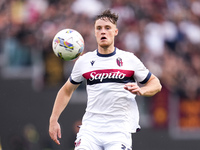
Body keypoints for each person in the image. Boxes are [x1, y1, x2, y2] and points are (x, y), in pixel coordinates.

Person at [49, 10, 162, 150]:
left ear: (115, 31)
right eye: (99, 28)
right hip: (90, 130)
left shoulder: (129, 59)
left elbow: (156, 83)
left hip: (119, 131)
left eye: (107, 28)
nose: (103, 31)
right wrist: (53, 119)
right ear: (95, 33)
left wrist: (142, 90)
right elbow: (66, 90)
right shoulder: (84, 61)